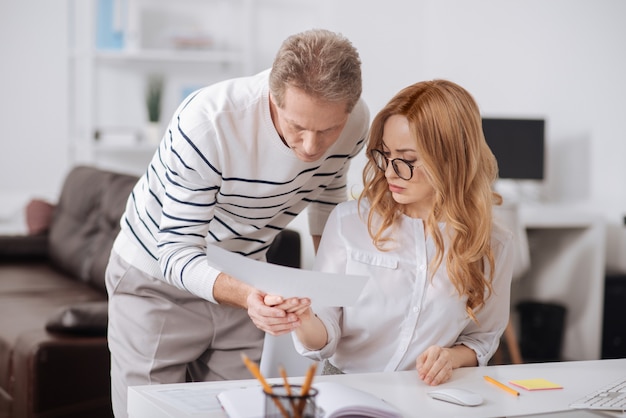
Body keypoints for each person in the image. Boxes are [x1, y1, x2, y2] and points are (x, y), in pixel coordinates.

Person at [105, 29, 369, 417]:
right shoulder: (209, 123)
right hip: (155, 282)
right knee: (150, 412)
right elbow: (176, 252)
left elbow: (327, 194)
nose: (312, 147)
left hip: (246, 276)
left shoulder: (355, 122)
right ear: (272, 98)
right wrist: (250, 296)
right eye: (297, 127)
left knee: (241, 411)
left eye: (327, 130)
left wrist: (325, 287)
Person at [292, 79, 514, 386]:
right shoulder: (349, 223)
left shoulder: (493, 244)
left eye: (408, 160)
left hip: (429, 395)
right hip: (347, 389)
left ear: (451, 159)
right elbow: (324, 335)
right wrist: (302, 318)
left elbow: (483, 338)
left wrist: (451, 357)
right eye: (385, 154)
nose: (390, 172)